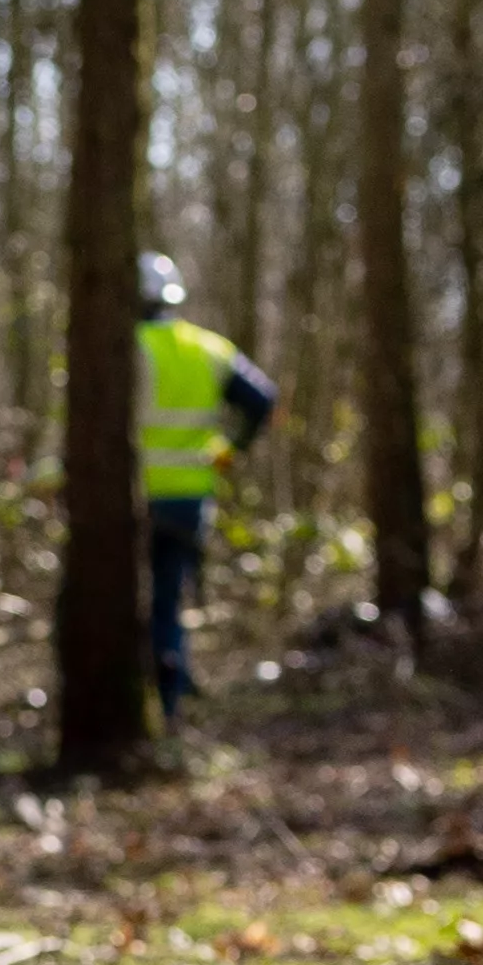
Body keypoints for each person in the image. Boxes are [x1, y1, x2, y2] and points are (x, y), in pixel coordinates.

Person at [134, 251, 281, 722]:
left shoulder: (122, 349)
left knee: (140, 599)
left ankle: (155, 697)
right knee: (170, 596)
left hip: (139, 497)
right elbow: (262, 399)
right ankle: (172, 693)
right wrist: (230, 449)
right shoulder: (209, 348)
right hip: (191, 497)